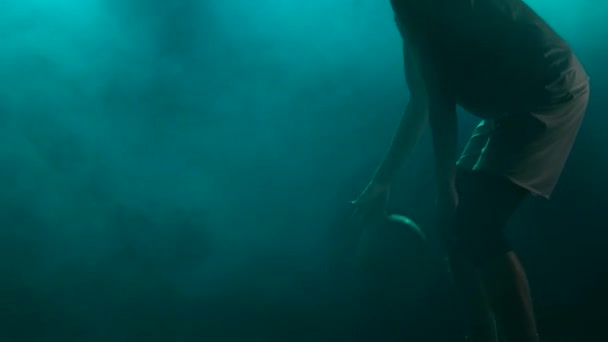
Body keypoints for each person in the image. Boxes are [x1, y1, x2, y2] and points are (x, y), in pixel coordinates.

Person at [351, 0, 590, 341]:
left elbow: (440, 103)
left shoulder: (426, 10)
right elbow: (421, 100)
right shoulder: (409, 12)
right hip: (510, 107)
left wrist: (446, 183)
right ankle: (481, 332)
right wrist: (383, 180)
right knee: (456, 223)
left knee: (475, 223)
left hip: (548, 93)